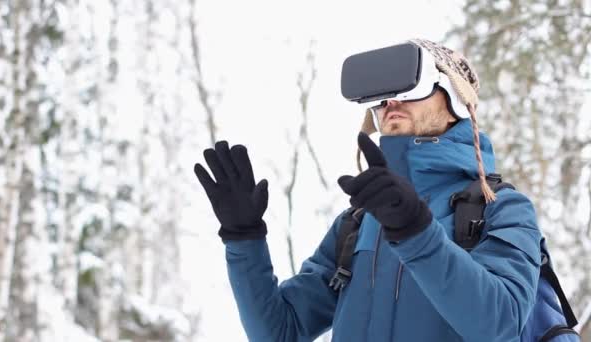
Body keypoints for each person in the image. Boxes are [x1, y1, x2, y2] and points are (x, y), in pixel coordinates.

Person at [194, 39, 541, 342]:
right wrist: (244, 241)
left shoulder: (501, 208)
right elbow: (280, 332)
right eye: (382, 96)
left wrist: (415, 231)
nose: (391, 103)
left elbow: (501, 325)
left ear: (452, 98)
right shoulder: (359, 222)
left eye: (410, 87)